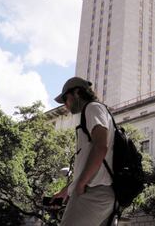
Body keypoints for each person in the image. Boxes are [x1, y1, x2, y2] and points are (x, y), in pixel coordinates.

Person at [52, 77, 116, 226]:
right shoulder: (96, 111)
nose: (65, 105)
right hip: (102, 192)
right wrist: (68, 190)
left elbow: (100, 147)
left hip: (93, 192)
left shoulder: (92, 108)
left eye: (66, 99)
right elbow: (95, 158)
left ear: (77, 93)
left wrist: (81, 184)